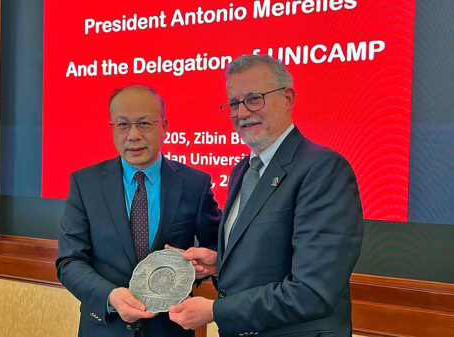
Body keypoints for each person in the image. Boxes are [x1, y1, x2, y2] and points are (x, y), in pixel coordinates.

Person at [168, 54, 364, 337]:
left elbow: (312, 292)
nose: (243, 113)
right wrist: (218, 263)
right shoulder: (242, 171)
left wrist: (214, 311)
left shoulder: (323, 169)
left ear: (287, 98)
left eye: (254, 98)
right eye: (234, 103)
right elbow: (268, 258)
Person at [56, 84, 221, 337]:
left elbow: (215, 250)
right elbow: (69, 262)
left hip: (170, 329)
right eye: (122, 125)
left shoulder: (194, 184)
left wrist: (198, 268)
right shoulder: (85, 184)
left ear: (164, 126)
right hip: (104, 328)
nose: (133, 135)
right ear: (112, 128)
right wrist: (111, 296)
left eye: (144, 124)